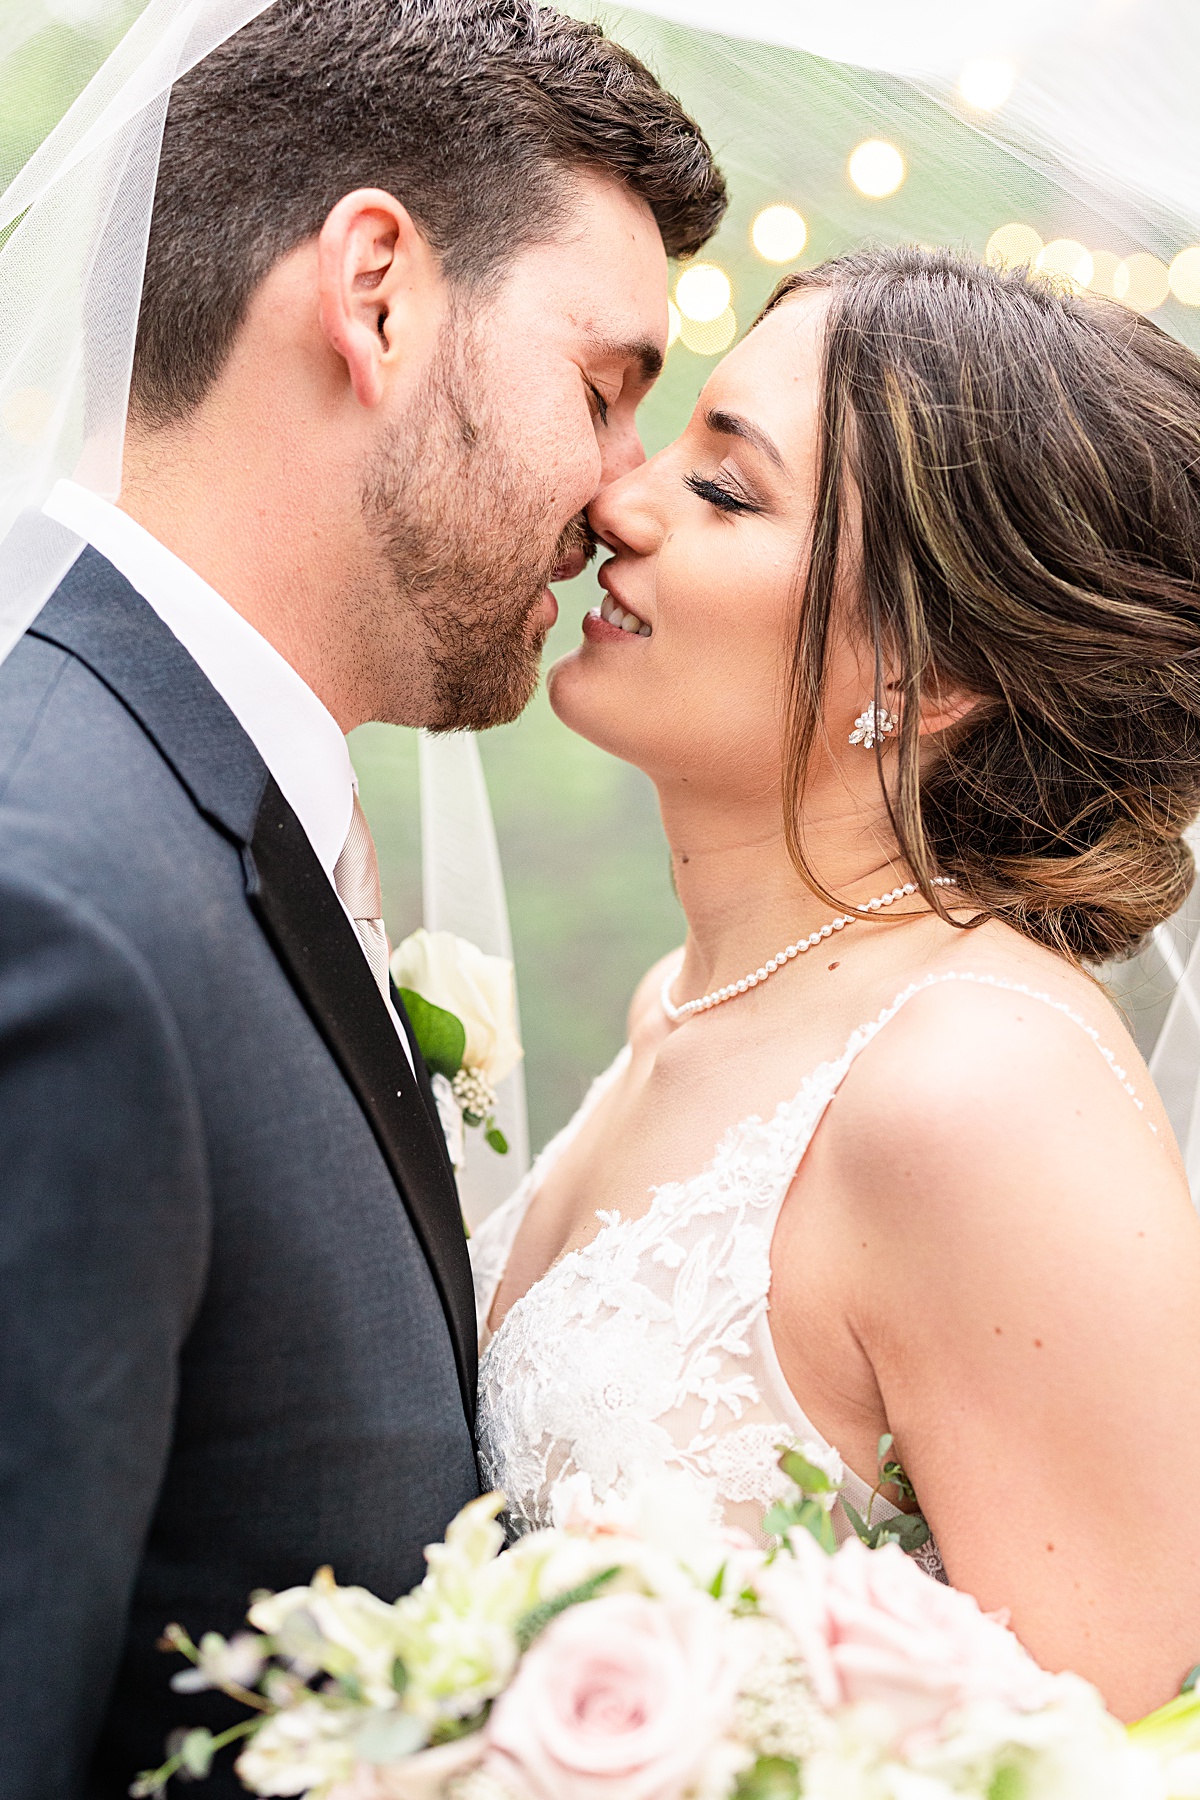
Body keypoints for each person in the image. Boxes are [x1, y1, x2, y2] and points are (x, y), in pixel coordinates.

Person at [0, 1, 725, 1791]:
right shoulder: (62, 900)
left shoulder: (214, 818)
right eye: (603, 388)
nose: (625, 501)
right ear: (378, 293)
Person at [471, 246, 1200, 1724]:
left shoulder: (977, 1091)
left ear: (931, 677)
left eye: (729, 490)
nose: (618, 501)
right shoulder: (685, 1005)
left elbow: (1109, 1747)